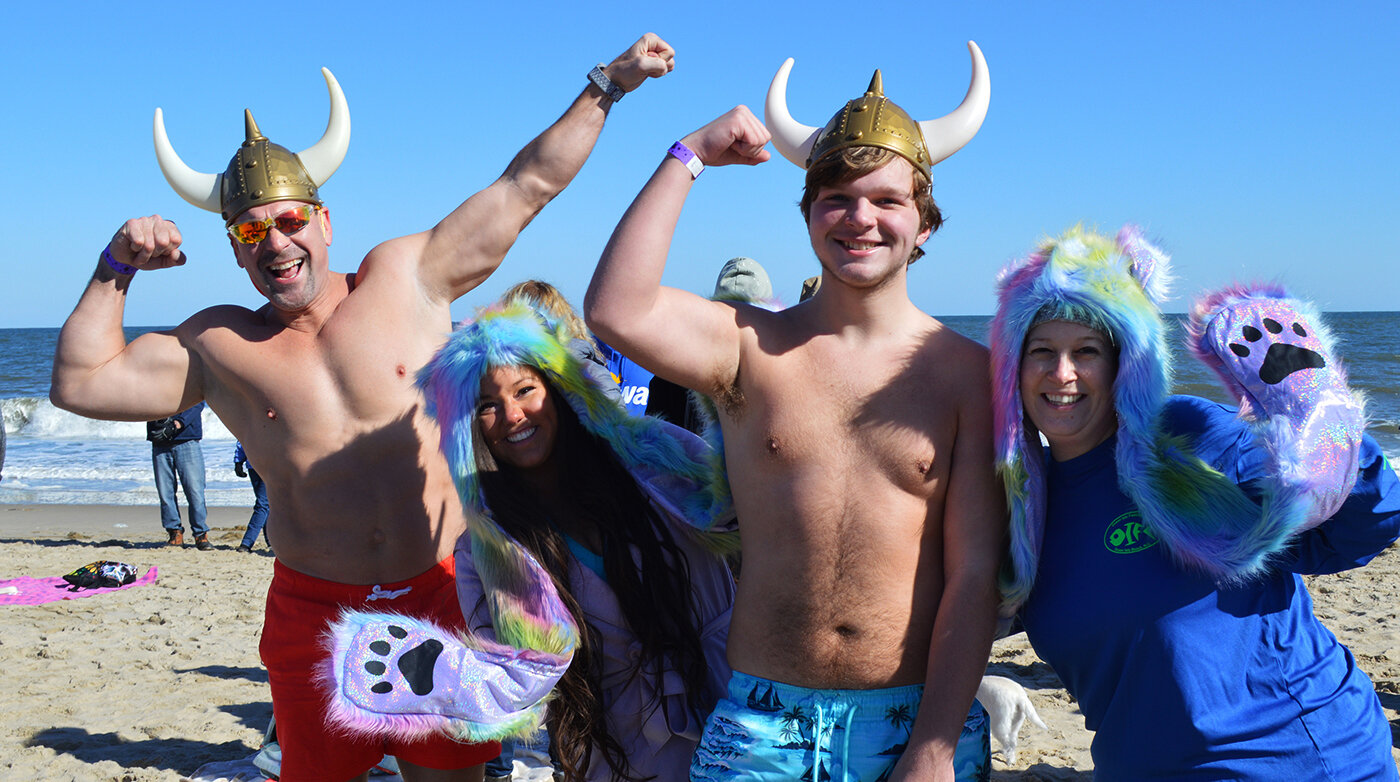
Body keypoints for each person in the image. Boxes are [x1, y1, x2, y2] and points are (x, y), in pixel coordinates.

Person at [49, 35, 676, 782]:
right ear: (236, 249)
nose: (275, 243)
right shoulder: (220, 344)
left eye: (288, 221)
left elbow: (525, 185)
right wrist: (115, 267)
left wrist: (609, 85)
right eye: (251, 232)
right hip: (313, 611)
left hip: (440, 590)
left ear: (324, 221)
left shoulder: (407, 280)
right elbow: (80, 382)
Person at [584, 43, 1003, 782]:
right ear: (808, 214)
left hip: (912, 717)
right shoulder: (750, 345)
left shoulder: (968, 375)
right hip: (761, 720)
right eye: (836, 198)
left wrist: (935, 747)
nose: (860, 219)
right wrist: (691, 154)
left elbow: (973, 575)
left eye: (887, 200)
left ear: (926, 224)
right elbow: (618, 308)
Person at [990, 225, 1400, 780]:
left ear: (1123, 366)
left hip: (1297, 758)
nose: (1062, 373)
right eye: (1042, 352)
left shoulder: (1187, 436)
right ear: (1014, 368)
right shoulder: (1021, 507)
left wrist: (1316, 414)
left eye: (1086, 351)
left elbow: (1362, 526)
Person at [322, 303, 738, 781]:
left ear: (559, 390)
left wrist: (737, 398)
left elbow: (736, 512)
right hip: (615, 745)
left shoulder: (652, 457)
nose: (512, 415)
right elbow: (511, 670)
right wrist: (430, 673)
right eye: (487, 406)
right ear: (466, 428)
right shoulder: (489, 553)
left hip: (728, 707)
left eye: (525, 390)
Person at [147, 402, 209, 549]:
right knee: (165, 492)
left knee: (195, 491)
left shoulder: (189, 380)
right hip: (159, 441)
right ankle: (174, 532)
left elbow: (198, 402)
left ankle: (201, 534)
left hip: (187, 440)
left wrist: (178, 423)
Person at [233, 441, 269, 553]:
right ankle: (246, 543)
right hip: (266, 465)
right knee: (264, 503)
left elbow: (244, 436)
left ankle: (270, 541)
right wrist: (238, 461)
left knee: (267, 503)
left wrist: (238, 460)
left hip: (256, 463)